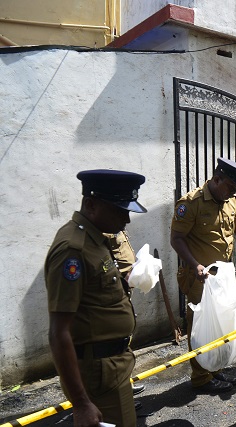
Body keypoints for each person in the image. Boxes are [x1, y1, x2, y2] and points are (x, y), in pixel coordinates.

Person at [45, 169, 147, 427]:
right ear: (91, 204)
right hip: (100, 372)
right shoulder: (73, 249)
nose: (127, 219)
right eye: (119, 210)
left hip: (112, 366)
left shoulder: (95, 239)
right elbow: (59, 333)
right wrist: (81, 404)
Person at [170, 157, 236, 393]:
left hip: (222, 276)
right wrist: (194, 264)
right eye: (230, 187)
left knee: (219, 325)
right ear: (217, 179)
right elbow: (176, 239)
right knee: (199, 326)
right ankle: (200, 377)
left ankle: (214, 368)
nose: (233, 192)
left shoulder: (230, 199)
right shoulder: (191, 203)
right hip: (200, 277)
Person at [105, 230, 146, 396]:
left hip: (123, 288)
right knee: (113, 343)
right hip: (112, 291)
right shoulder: (97, 232)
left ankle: (123, 384)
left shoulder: (113, 225)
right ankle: (116, 392)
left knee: (124, 340)